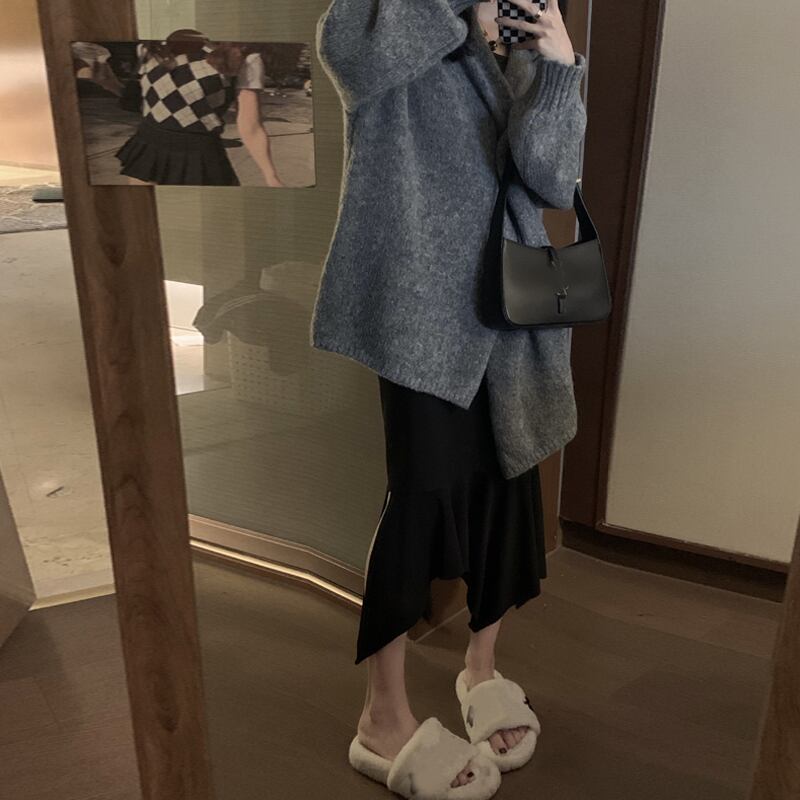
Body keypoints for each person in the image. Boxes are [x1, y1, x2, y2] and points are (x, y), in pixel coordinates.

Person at [311, 0, 587, 796]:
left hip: (511, 304)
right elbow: (351, 58)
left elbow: (552, 179)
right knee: (422, 493)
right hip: (420, 305)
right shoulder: (386, 15)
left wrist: (558, 69)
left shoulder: (526, 27)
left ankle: (481, 667)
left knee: (508, 481)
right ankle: (382, 714)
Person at [116, 30, 284, 187]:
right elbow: (149, 99)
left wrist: (271, 176)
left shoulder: (244, 56)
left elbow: (250, 125)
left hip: (199, 155)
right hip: (148, 145)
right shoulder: (150, 47)